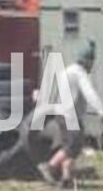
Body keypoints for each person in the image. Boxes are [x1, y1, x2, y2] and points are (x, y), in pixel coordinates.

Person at [43, 42, 98, 187]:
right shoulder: (80, 73)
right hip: (69, 115)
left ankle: (66, 179)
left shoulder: (67, 71)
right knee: (73, 145)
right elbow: (89, 93)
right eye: (92, 61)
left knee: (71, 145)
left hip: (62, 113)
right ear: (87, 60)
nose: (92, 65)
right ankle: (50, 166)